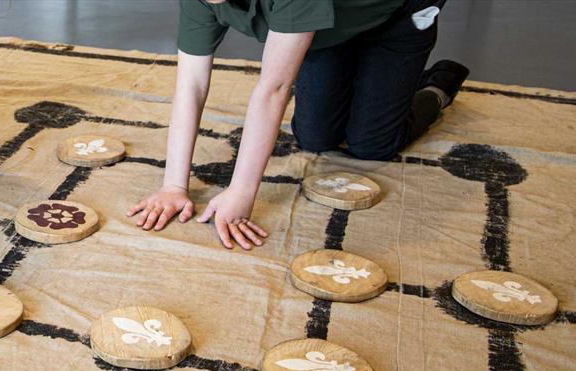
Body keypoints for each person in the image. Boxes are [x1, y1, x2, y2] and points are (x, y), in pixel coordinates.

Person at [127, 0, 468, 250]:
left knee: (371, 145)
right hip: (326, 29)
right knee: (314, 136)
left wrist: (242, 193)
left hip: (397, 19)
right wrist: (174, 186)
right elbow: (191, 85)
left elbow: (274, 90)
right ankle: (365, 76)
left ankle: (437, 87)